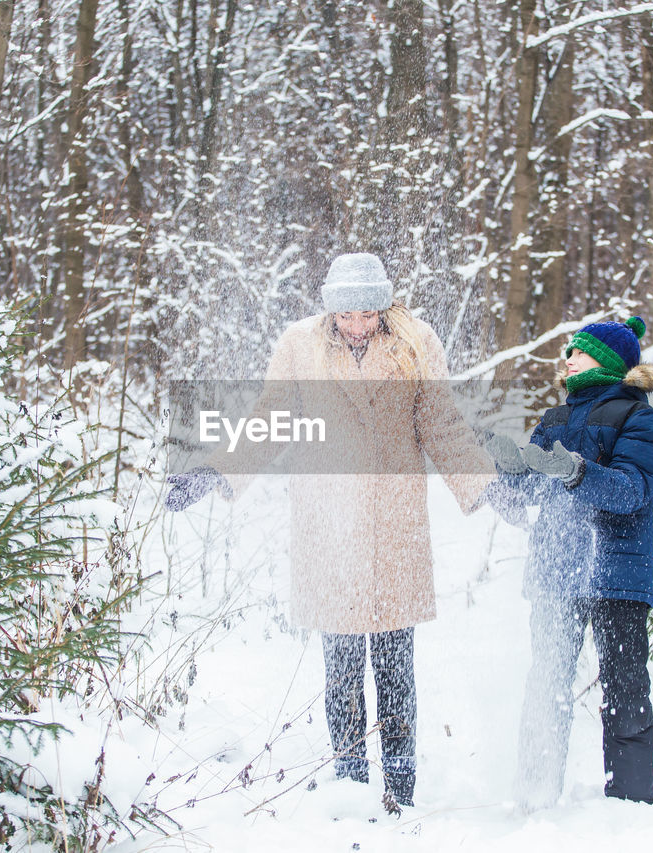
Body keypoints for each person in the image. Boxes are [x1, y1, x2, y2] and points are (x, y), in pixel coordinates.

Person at [165, 252, 524, 810]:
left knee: (395, 669)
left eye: (368, 314)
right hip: (328, 527)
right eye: (347, 316)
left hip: (394, 525)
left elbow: (442, 423)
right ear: (330, 310)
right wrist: (215, 469)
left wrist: (486, 485)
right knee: (341, 671)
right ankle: (352, 786)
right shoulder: (300, 345)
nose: (358, 325)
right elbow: (270, 418)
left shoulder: (415, 342)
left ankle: (400, 793)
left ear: (384, 306)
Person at [487, 315, 653, 810]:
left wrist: (576, 472)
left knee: (625, 688)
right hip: (556, 571)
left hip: (617, 572)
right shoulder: (555, 420)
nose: (568, 359)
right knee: (546, 680)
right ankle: (534, 792)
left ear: (607, 361)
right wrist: (499, 473)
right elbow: (524, 493)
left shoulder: (639, 419)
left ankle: (630, 803)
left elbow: (631, 490)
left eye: (579, 352)